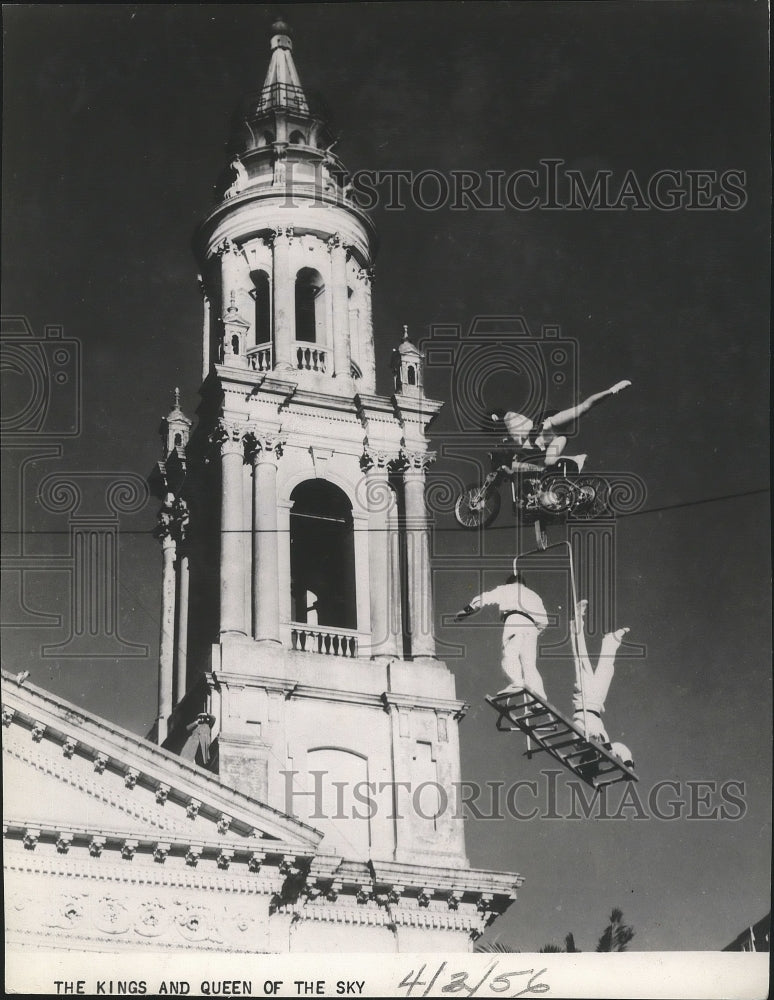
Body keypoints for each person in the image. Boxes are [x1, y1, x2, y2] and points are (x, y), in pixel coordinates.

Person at [489, 380, 632, 473]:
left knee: (582, 408)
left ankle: (613, 390)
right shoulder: (513, 434)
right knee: (548, 462)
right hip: (556, 439)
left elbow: (524, 431)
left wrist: (499, 424)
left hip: (549, 425)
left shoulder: (509, 418)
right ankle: (577, 459)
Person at [454, 572, 550, 700]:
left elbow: (484, 598)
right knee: (529, 664)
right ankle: (538, 698)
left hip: (515, 619)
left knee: (510, 653)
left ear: (510, 582)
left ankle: (516, 683)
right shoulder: (535, 596)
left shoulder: (507, 589)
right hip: (532, 627)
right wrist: (533, 633)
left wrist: (467, 610)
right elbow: (544, 621)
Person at [571, 598, 634, 768]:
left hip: (584, 701)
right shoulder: (604, 751)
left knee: (580, 658)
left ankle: (577, 619)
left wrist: (598, 740)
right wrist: (628, 763)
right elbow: (620, 748)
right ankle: (611, 641)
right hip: (597, 703)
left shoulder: (578, 744)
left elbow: (585, 731)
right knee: (607, 670)